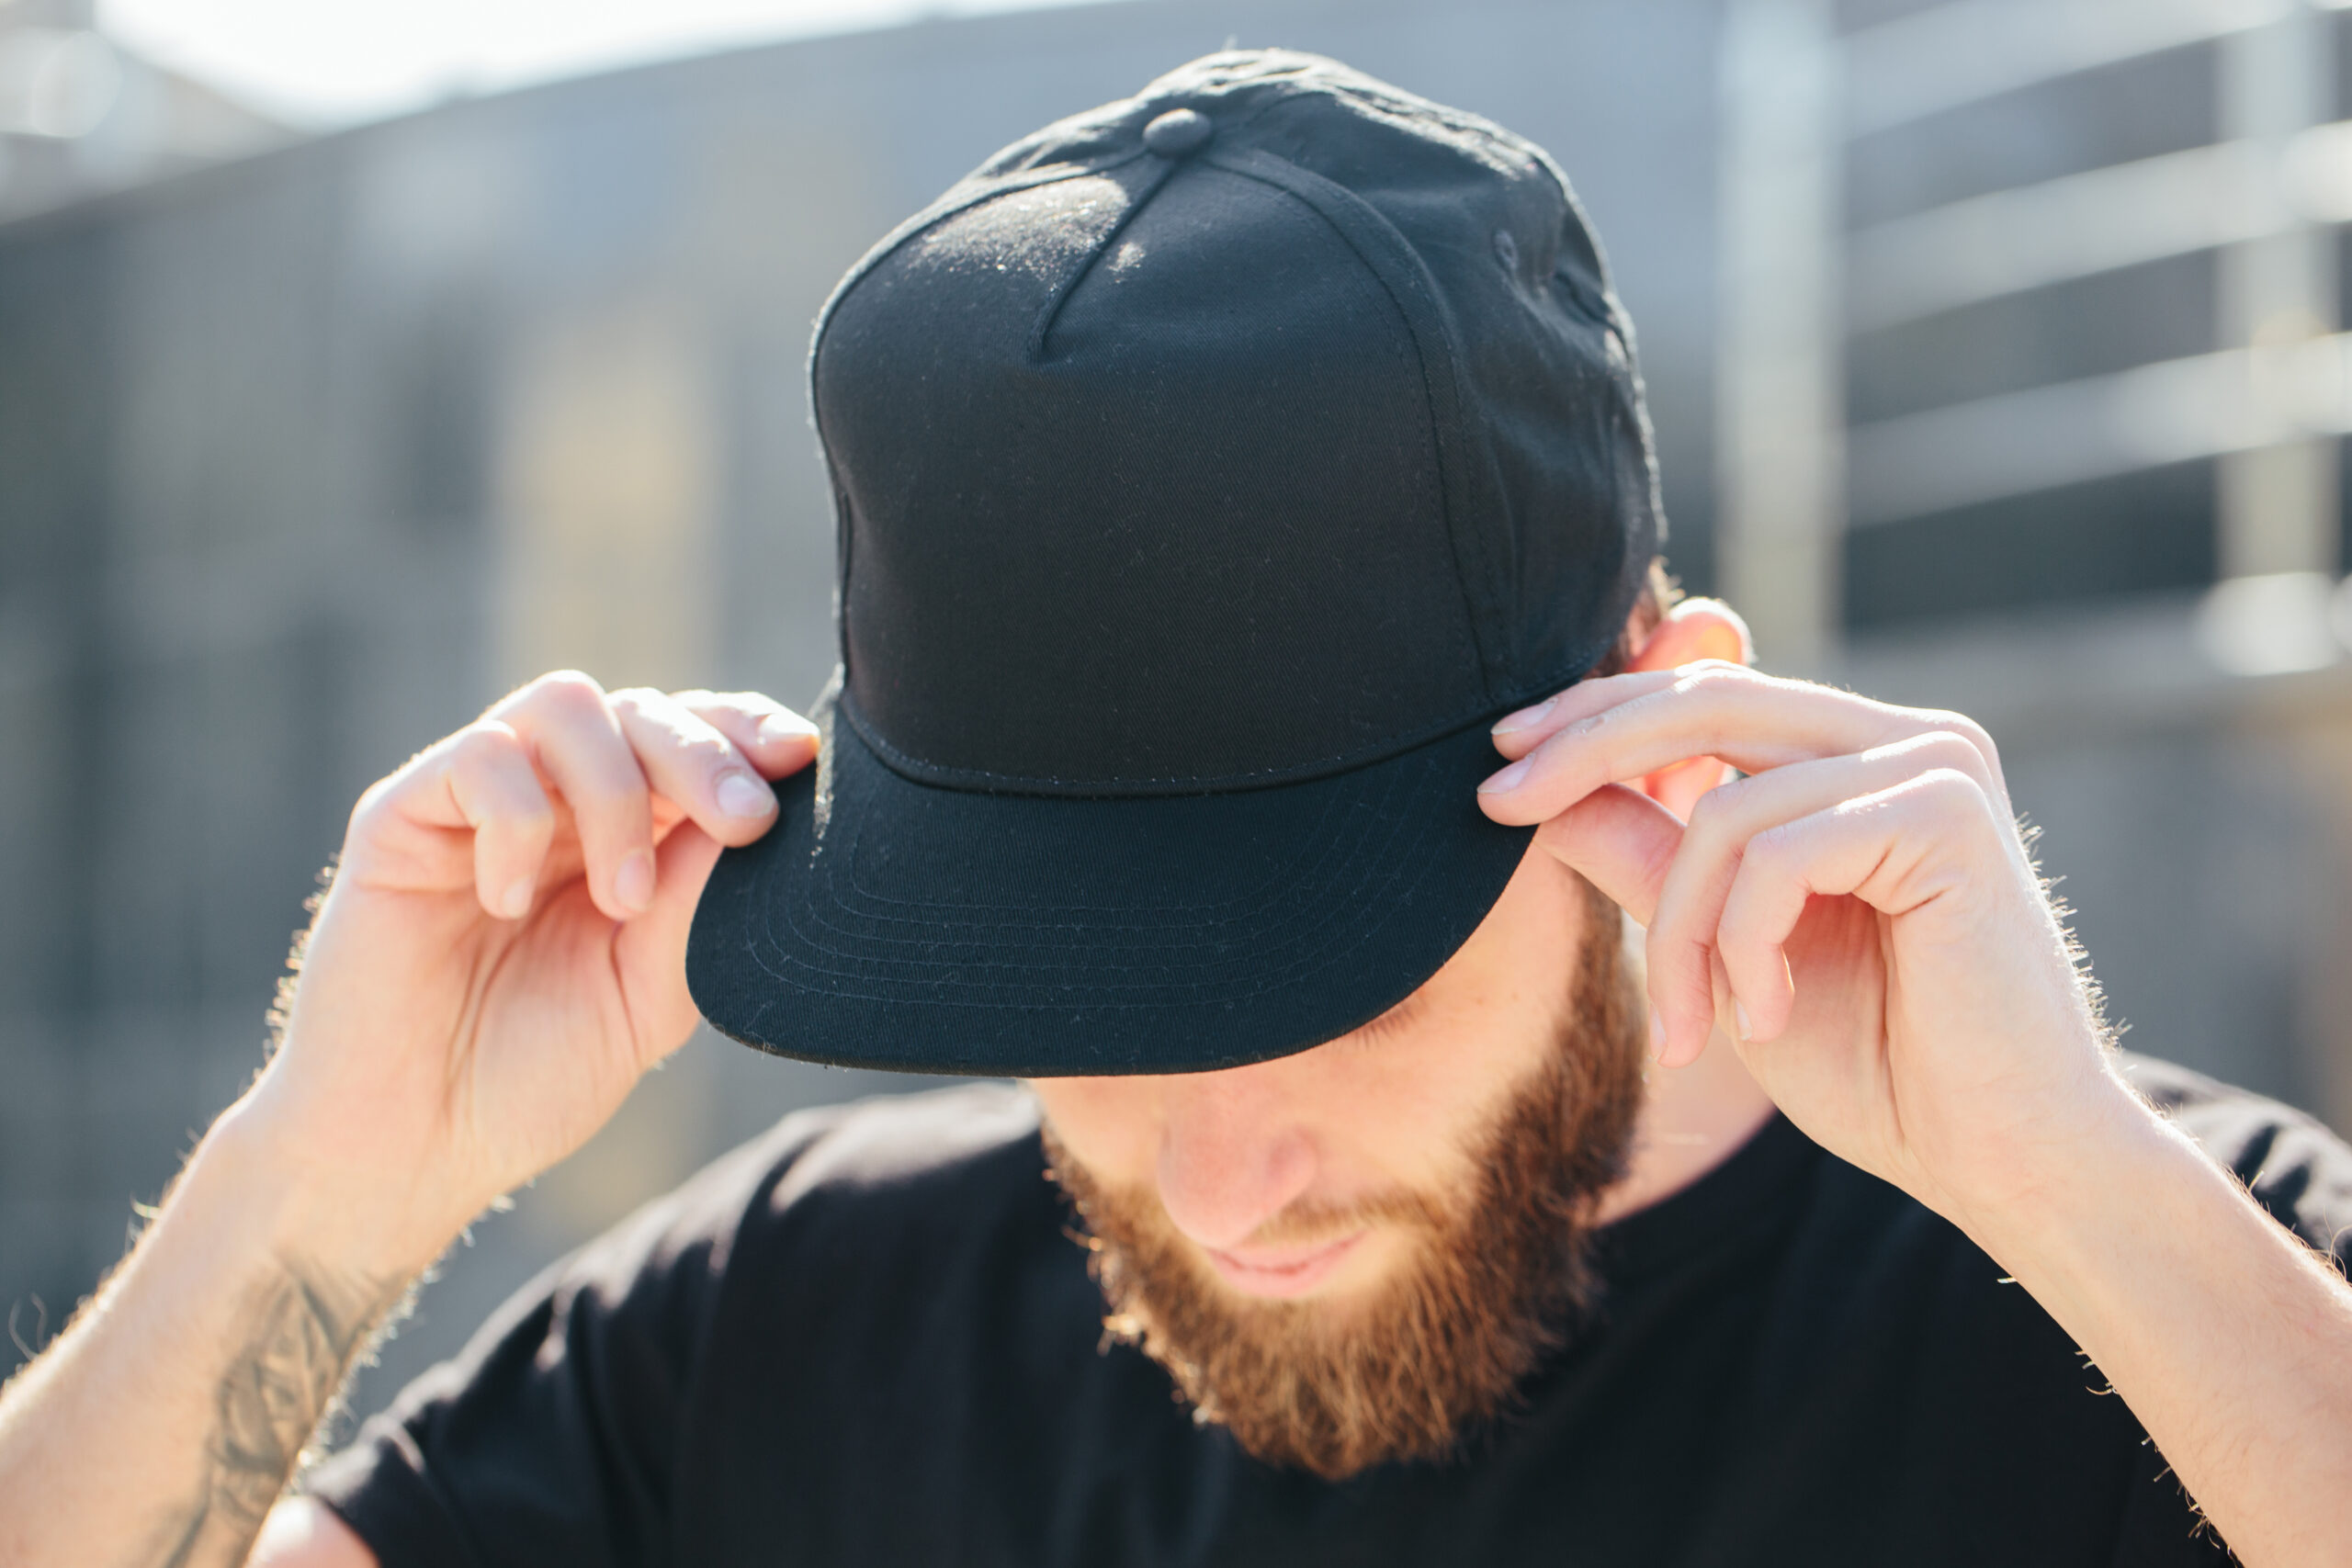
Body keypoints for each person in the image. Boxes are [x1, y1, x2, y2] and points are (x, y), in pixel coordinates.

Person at [3, 49, 2350, 1568]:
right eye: (1075, 995)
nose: (1219, 1173)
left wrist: (2071, 1189)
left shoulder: (2178, 1288)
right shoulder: (781, 1328)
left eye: (1322, 968)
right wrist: (319, 1177)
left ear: (1666, 739)